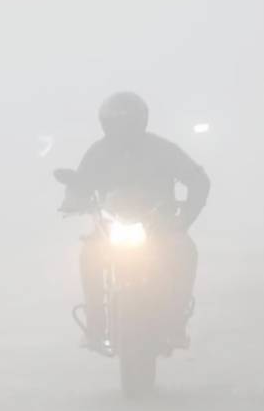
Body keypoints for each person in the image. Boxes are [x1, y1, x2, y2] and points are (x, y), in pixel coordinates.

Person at [61, 92, 210, 348]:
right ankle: (96, 324)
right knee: (89, 254)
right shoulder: (98, 152)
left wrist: (184, 219)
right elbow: (81, 184)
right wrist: (73, 201)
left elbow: (198, 179)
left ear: (141, 122)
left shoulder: (162, 149)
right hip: (110, 227)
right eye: (116, 124)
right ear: (105, 124)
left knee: (186, 249)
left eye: (128, 123)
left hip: (159, 226)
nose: (122, 130)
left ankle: (176, 321)